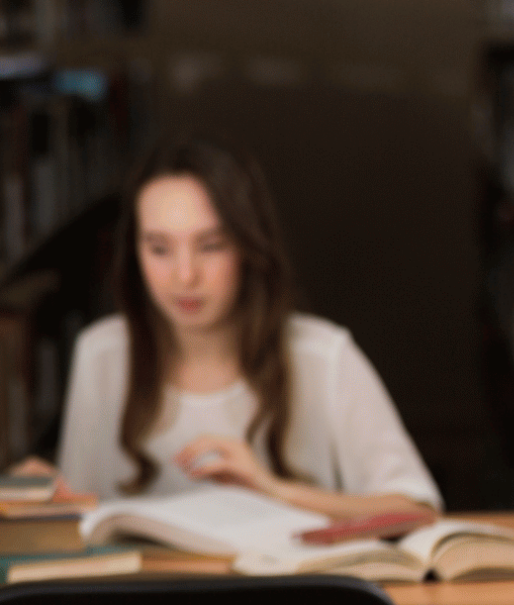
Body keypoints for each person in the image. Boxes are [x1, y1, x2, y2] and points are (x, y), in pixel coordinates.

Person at [39, 134, 441, 520]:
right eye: (159, 248)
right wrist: (39, 497)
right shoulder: (100, 353)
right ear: (134, 252)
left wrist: (272, 489)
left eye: (210, 246)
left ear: (249, 246)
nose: (184, 276)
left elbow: (417, 509)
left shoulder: (325, 356)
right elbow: (82, 519)